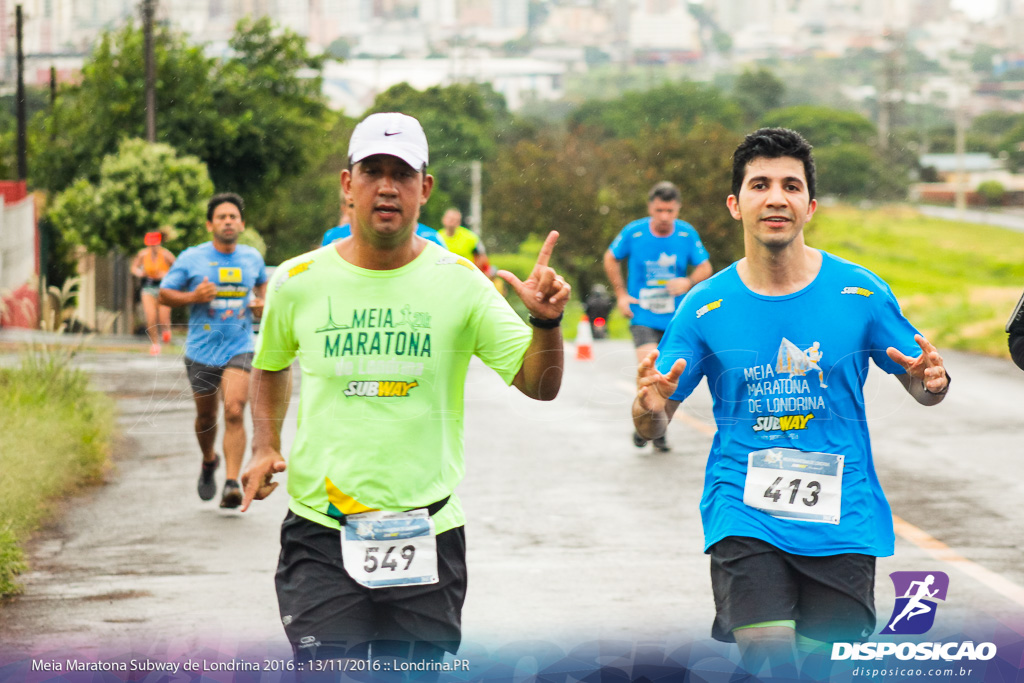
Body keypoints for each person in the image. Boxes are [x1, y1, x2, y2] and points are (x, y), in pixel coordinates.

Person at [240, 112, 569, 669]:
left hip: (428, 532)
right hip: (322, 533)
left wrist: (546, 325)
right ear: (348, 184)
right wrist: (264, 444)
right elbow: (271, 365)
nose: (386, 186)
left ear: (425, 189)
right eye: (372, 170)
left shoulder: (461, 281)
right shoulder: (295, 282)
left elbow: (539, 385)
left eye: (402, 173)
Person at [632, 128, 950, 677]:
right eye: (759, 185)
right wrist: (651, 403)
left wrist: (932, 381)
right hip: (744, 512)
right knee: (771, 663)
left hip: (842, 517)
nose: (775, 197)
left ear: (809, 205)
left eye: (790, 185)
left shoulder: (861, 292)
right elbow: (652, 424)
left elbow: (921, 388)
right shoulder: (704, 306)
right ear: (736, 204)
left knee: (821, 669)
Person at [159, 193, 268, 509]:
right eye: (221, 217)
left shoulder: (252, 258)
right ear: (210, 224)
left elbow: (263, 291)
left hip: (241, 345)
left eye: (233, 216)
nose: (228, 221)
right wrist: (193, 297)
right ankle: (209, 460)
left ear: (242, 224)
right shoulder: (192, 258)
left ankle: (232, 483)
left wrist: (262, 305)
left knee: (235, 409)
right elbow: (164, 293)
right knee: (206, 417)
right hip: (202, 349)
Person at [604, 180, 712, 452]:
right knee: (651, 369)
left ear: (677, 210)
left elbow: (705, 267)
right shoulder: (634, 232)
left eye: (670, 211)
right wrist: (620, 294)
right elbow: (610, 257)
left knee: (667, 376)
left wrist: (687, 282)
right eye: (659, 210)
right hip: (643, 314)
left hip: (676, 319)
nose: (664, 217)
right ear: (651, 208)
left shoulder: (686, 234)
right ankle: (649, 423)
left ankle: (654, 426)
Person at [322, 201, 446, 248]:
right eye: (372, 172)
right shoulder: (333, 235)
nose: (387, 189)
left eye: (403, 175)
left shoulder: (432, 237)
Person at [130, 230, 176, 355]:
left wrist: (166, 274)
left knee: (163, 317)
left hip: (163, 287)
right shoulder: (143, 255)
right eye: (150, 244)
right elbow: (134, 267)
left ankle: (166, 330)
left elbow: (178, 268)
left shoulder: (166, 255)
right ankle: (155, 344)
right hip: (148, 287)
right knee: (150, 317)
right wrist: (140, 272)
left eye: (155, 244)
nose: (153, 247)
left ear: (159, 243)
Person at [438, 207, 492, 274]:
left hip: (466, 274)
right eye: (450, 219)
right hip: (444, 274)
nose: (452, 222)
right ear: (443, 219)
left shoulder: (471, 237)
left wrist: (472, 271)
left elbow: (482, 256)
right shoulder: (436, 236)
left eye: (455, 220)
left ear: (459, 222)